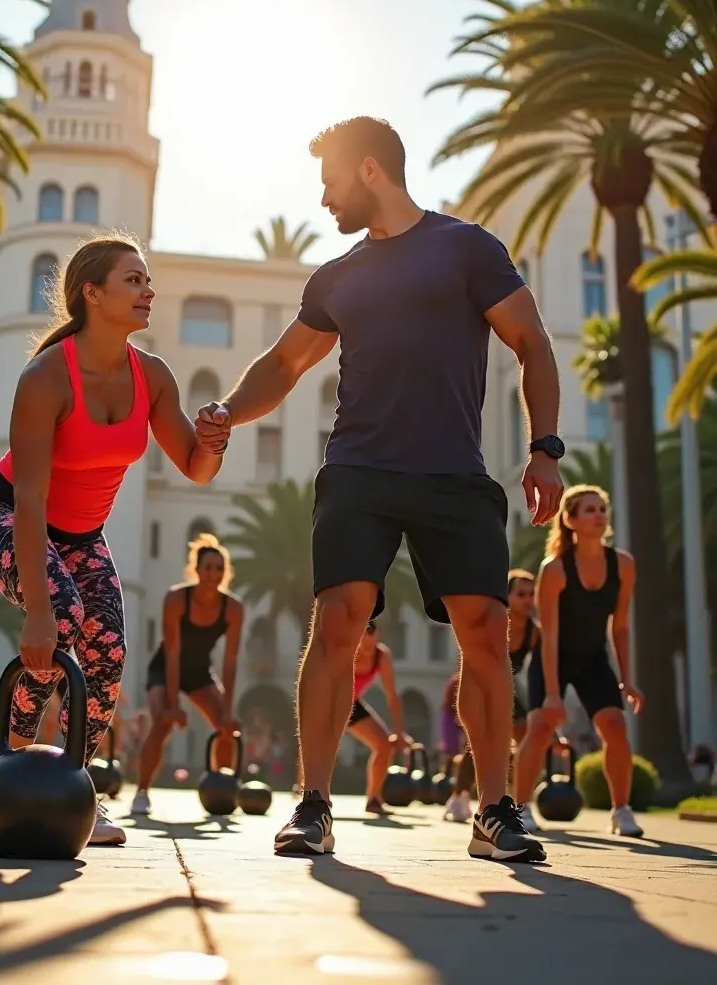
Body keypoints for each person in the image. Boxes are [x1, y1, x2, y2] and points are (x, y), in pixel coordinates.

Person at [195, 116, 563, 861]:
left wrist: (544, 449)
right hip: (360, 469)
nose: (323, 202)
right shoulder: (337, 277)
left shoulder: (467, 249)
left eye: (329, 183)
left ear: (368, 171)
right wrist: (228, 411)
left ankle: (495, 811)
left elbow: (531, 343)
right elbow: (285, 363)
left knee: (486, 636)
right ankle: (313, 806)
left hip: (454, 473)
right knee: (337, 621)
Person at [0, 234, 231, 847]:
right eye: (133, 280)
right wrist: (37, 609)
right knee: (60, 617)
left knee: (108, 650)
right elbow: (29, 501)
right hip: (2, 516)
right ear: (92, 293)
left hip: (81, 536)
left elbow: (196, 467)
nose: (148, 291)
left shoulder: (153, 376)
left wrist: (214, 439)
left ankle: (74, 784)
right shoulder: (46, 378)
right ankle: (12, 766)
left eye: (147, 280)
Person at [514, 484, 644, 837]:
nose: (599, 515)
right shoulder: (554, 569)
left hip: (592, 659)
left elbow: (620, 627)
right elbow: (550, 635)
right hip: (552, 658)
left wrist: (627, 679)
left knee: (615, 725)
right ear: (569, 520)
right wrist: (553, 695)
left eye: (602, 508)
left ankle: (621, 810)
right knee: (540, 726)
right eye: (589, 510)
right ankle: (518, 808)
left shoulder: (623, 564)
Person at [131, 534, 244, 816]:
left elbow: (230, 661)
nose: (213, 574)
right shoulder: (176, 598)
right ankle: (142, 792)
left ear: (225, 572)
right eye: (208, 567)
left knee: (225, 728)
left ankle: (222, 788)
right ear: (196, 569)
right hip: (165, 668)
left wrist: (228, 711)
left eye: (219, 568)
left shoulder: (233, 608)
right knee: (162, 723)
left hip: (198, 672)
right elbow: (171, 653)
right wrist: (173, 705)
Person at [344, 618, 409, 814]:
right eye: (361, 632)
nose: (365, 638)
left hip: (352, 705)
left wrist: (398, 733)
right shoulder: (348, 651)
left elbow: (392, 696)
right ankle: (305, 791)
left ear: (377, 633)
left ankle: (373, 798)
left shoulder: (382, 656)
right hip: (331, 702)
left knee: (384, 745)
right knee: (317, 745)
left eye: (369, 632)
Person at [506, 569, 541, 747]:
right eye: (521, 594)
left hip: (513, 690)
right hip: (485, 686)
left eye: (531, 594)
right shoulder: (497, 624)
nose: (527, 600)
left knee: (526, 730)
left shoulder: (534, 632)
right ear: (507, 596)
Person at [439, 670, 476, 823]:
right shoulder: (457, 683)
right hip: (456, 725)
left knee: (472, 757)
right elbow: (450, 714)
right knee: (467, 757)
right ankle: (458, 800)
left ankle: (458, 800)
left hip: (468, 726)